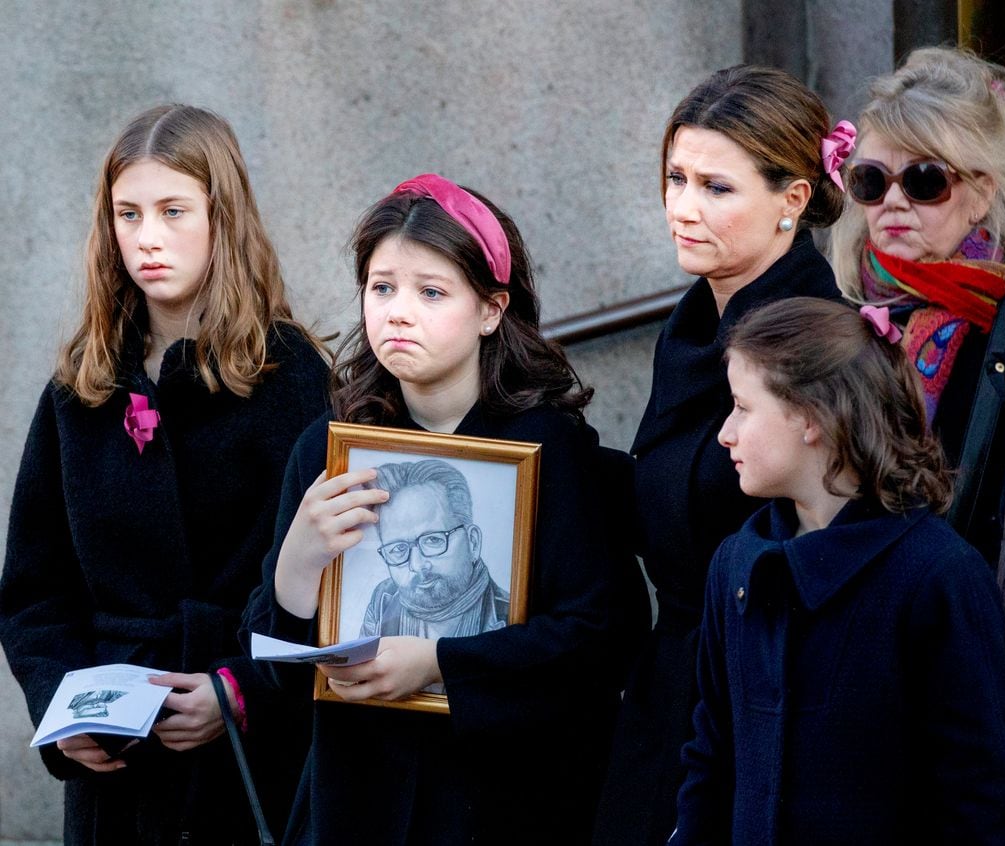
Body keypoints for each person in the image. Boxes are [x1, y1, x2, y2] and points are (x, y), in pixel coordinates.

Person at [242, 173, 628, 844]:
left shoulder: (548, 449)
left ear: (490, 309)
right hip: (355, 805)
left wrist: (440, 662)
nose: (398, 311)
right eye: (382, 287)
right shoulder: (327, 450)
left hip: (506, 807)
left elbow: (601, 635)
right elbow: (274, 672)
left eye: (431, 292)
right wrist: (295, 568)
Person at [0, 104, 330, 844]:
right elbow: (33, 588)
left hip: (246, 764)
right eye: (128, 213)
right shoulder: (80, 387)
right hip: (116, 771)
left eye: (174, 210)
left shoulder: (287, 375)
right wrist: (59, 706)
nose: (147, 237)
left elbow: (326, 581)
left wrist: (240, 689)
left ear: (222, 216)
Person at [595, 65, 849, 845]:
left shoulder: (814, 342)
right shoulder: (693, 321)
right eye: (676, 178)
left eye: (716, 187)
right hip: (676, 679)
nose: (682, 209)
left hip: (769, 696)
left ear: (793, 200)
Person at [668, 297, 1005, 844]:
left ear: (811, 417)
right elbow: (710, 754)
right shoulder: (736, 563)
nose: (725, 433)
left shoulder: (939, 576)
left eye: (742, 407)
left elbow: (982, 793)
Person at [830, 47, 1005, 685]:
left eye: (924, 180)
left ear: (979, 194)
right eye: (870, 181)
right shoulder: (842, 315)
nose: (892, 201)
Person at [361, 459, 509, 639]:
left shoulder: (511, 616)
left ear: (473, 542)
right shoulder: (383, 599)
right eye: (398, 548)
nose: (417, 564)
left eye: (433, 540)